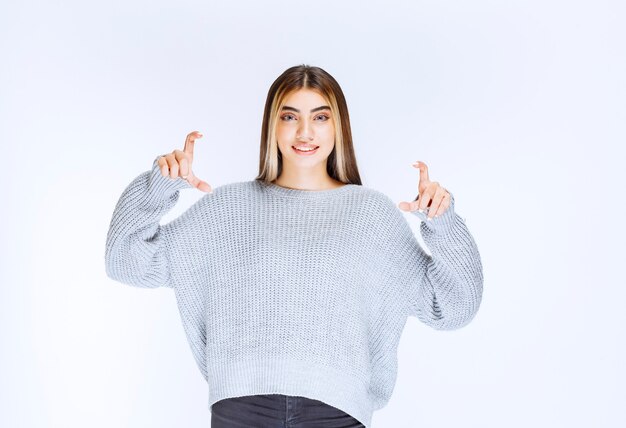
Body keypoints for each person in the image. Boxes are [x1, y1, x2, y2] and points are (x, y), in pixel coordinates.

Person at [104, 64, 484, 428]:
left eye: (320, 117)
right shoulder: (226, 211)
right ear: (272, 126)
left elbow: (453, 308)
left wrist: (443, 223)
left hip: (336, 413)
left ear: (339, 127)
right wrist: (160, 186)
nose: (305, 132)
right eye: (290, 117)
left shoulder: (371, 217)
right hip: (242, 410)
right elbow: (125, 260)